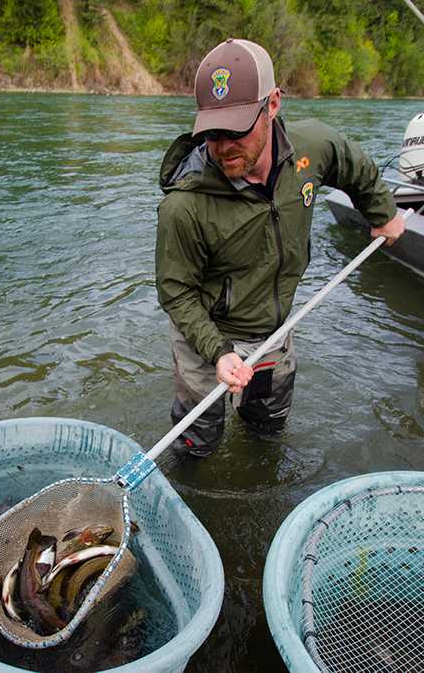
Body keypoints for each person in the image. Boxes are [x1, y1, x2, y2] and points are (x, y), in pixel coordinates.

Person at [155, 38, 405, 458]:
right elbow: (176, 293)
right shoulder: (183, 206)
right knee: (198, 442)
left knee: (267, 428)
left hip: (274, 329)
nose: (223, 146)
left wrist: (383, 212)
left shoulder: (313, 148)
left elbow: (356, 166)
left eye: (236, 130)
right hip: (207, 336)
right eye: (212, 133)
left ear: (273, 105)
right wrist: (218, 353)